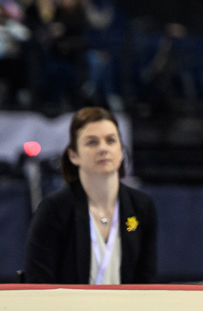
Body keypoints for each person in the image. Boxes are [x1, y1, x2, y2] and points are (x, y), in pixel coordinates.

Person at [23, 107, 157, 283]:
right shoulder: (54, 210)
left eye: (111, 140)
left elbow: (147, 284)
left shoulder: (141, 207)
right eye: (92, 142)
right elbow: (38, 284)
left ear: (121, 150)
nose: (103, 148)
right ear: (73, 155)